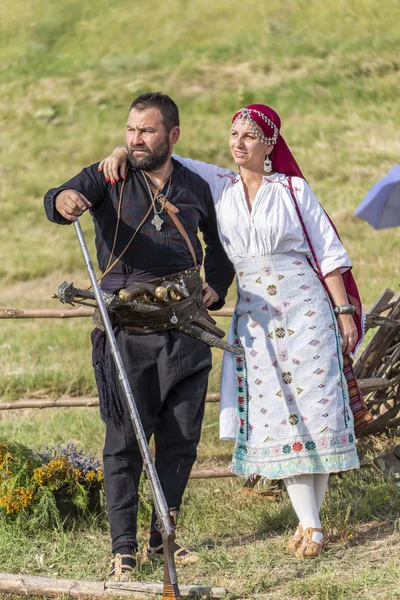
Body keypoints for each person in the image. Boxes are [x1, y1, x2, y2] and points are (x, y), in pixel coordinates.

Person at [99, 103, 362, 558]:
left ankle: (310, 525)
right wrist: (122, 150)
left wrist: (343, 313)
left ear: (269, 145)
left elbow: (329, 254)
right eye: (233, 134)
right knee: (281, 412)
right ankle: (311, 525)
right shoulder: (217, 184)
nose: (239, 143)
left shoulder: (293, 190)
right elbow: (159, 155)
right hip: (257, 318)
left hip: (305, 311)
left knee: (314, 413)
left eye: (249, 136)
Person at [44, 92, 235, 579]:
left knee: (181, 437)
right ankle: (123, 547)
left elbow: (220, 247)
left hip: (187, 329)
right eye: (131, 130)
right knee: (125, 439)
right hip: (127, 330)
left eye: (147, 131)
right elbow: (57, 199)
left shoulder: (194, 186)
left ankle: (163, 535)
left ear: (172, 135)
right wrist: (64, 199)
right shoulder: (109, 175)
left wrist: (216, 284)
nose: (136, 139)